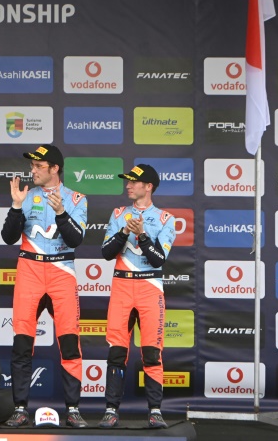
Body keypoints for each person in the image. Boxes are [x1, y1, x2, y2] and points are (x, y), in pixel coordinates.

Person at [1, 145, 88, 428]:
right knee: (22, 342)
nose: (33, 170)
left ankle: (73, 409)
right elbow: (8, 237)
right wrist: (15, 206)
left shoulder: (76, 199)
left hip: (62, 270)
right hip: (30, 269)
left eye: (39, 166)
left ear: (55, 169)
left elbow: (75, 240)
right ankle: (20, 408)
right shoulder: (27, 196)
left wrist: (62, 212)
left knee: (69, 342)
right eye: (32, 166)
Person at [98, 164, 176, 429]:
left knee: (152, 353)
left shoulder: (166, 219)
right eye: (127, 181)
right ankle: (111, 410)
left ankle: (155, 411)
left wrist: (141, 234)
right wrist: (123, 232)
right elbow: (106, 253)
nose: (128, 185)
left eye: (134, 181)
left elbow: (158, 259)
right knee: (116, 352)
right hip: (122, 286)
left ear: (148, 186)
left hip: (149, 288)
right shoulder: (119, 214)